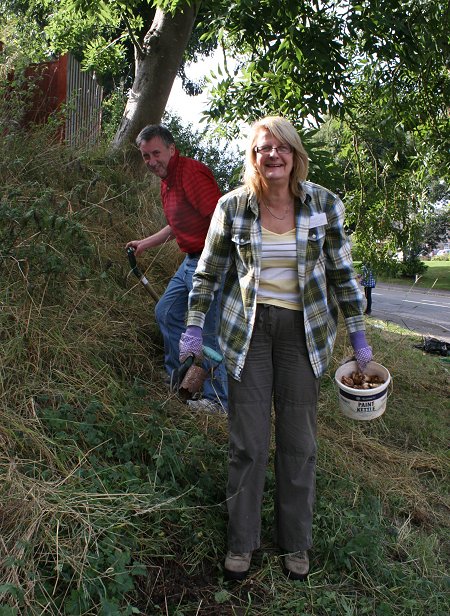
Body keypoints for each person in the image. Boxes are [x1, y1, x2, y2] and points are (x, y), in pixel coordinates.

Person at [178, 116, 372, 581]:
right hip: (249, 334)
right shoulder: (233, 207)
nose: (273, 155)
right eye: (264, 148)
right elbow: (207, 273)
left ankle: (295, 544)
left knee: (299, 443)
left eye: (281, 147)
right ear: (253, 157)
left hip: (304, 335)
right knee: (248, 442)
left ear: (295, 154)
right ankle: (242, 543)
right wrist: (193, 326)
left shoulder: (323, 203)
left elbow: (344, 274)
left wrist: (360, 334)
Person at [126, 124, 227, 413]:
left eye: (156, 153)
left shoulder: (191, 173)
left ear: (171, 149)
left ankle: (216, 398)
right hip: (190, 261)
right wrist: (145, 243)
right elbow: (176, 224)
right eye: (146, 156)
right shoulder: (167, 182)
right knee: (166, 312)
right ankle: (178, 377)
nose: (151, 161)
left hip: (211, 261)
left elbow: (219, 221)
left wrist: (212, 266)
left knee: (209, 331)